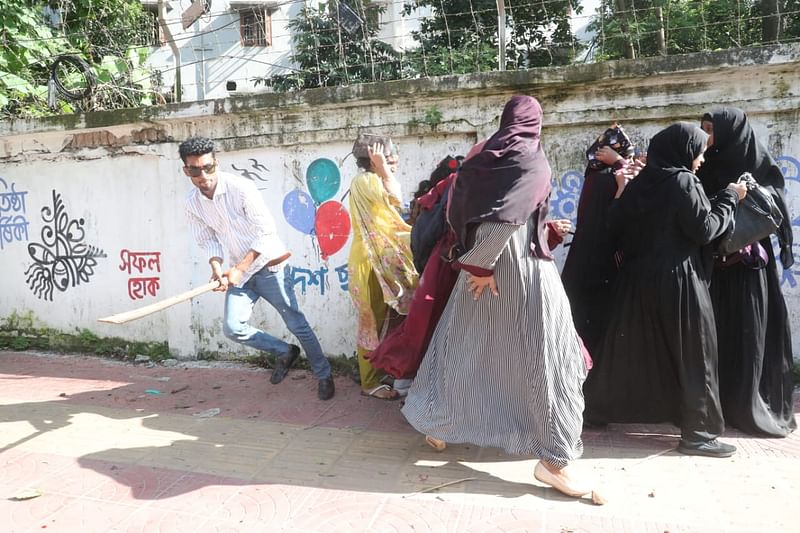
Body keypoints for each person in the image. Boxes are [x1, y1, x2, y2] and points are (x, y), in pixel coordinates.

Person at [402, 95, 593, 498]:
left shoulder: (481, 158)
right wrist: (483, 266)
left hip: (482, 267)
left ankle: (436, 423)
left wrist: (477, 264)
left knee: (465, 347)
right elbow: (508, 217)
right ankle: (555, 461)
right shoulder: (532, 160)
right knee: (549, 357)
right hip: (518, 272)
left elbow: (462, 213)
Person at [582, 123, 747, 457]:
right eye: (699, 152)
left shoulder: (641, 183)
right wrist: (730, 197)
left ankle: (596, 412)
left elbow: (615, 222)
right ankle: (698, 434)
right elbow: (705, 230)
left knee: (624, 351)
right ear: (684, 150)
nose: (700, 160)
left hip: (635, 281)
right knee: (695, 353)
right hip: (678, 280)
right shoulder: (683, 181)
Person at [180, 136, 335, 401]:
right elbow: (207, 239)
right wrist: (217, 267)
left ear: (216, 163)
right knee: (233, 327)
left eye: (208, 167)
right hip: (240, 273)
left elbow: (266, 233)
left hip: (270, 266)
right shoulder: (192, 202)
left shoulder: (241, 188)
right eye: (195, 170)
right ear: (186, 170)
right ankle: (285, 351)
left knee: (297, 324)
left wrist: (240, 268)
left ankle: (323, 374)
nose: (203, 175)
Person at [697, 107, 796, 437]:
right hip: (715, 267)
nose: (706, 137)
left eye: (711, 130)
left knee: (749, 331)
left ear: (730, 132)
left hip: (750, 266)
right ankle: (718, 405)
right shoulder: (702, 165)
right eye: (703, 130)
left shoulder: (757, 163)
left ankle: (750, 404)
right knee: (716, 334)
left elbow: (775, 209)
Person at [347, 134, 418, 400]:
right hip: (369, 262)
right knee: (372, 322)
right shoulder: (366, 181)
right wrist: (382, 168)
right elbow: (396, 196)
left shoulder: (370, 180)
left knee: (390, 319)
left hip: (381, 259)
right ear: (375, 158)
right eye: (390, 156)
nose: (395, 160)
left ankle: (385, 367)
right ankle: (369, 382)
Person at [561, 124, 639, 355]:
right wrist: (621, 164)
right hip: (607, 264)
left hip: (581, 262)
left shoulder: (592, 177)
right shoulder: (613, 178)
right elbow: (632, 205)